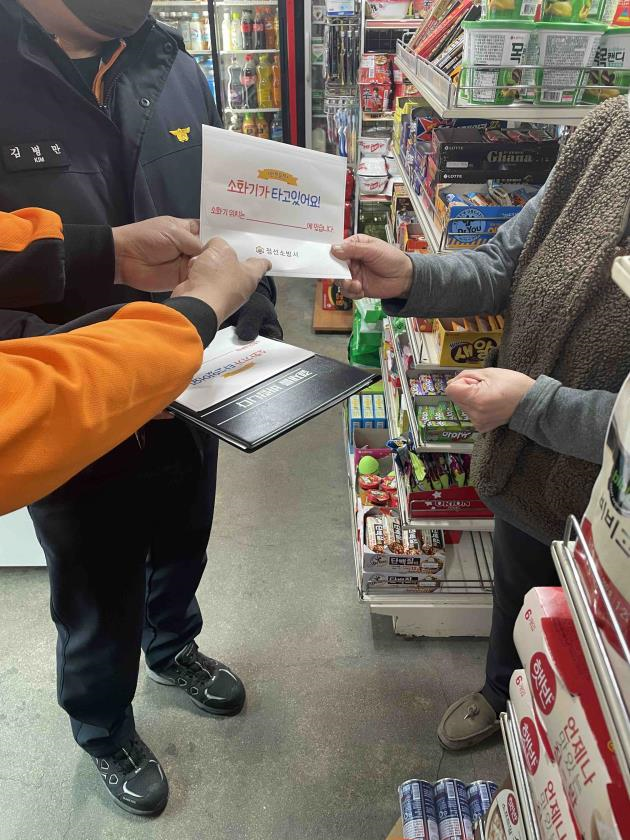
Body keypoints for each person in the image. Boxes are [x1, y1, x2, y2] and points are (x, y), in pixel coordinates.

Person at [0, 0, 283, 815]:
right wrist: (114, 359)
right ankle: (103, 725)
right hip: (69, 403)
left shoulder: (176, 65)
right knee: (94, 586)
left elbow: (231, 216)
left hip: (196, 386)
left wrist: (249, 320)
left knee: (184, 535)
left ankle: (173, 646)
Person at [334, 95, 630, 751]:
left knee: (605, 678)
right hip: (531, 468)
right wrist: (410, 275)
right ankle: (503, 694)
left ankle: (572, 754)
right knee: (519, 592)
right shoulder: (611, 131)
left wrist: (534, 405)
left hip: (615, 507)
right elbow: (500, 265)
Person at [1, 207, 271, 514]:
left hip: (175, 397)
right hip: (85, 455)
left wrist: (109, 251)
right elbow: (22, 413)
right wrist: (199, 309)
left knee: (188, 529)